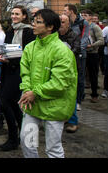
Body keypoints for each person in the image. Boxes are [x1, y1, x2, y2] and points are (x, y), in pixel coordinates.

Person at [19, 9, 77, 158]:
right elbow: (25, 73)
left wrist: (35, 92)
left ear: (50, 27)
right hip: (32, 105)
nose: (33, 25)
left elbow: (60, 83)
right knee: (27, 142)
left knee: (53, 148)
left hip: (54, 108)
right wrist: (27, 90)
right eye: (34, 21)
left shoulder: (62, 51)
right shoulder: (30, 47)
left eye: (38, 22)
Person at [0, 5, 35, 151]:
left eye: (17, 14)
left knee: (4, 101)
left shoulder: (29, 32)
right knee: (14, 104)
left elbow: (28, 55)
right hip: (7, 71)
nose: (13, 16)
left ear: (24, 16)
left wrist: (9, 60)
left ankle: (14, 137)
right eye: (12, 13)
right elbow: (7, 49)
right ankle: (22, 134)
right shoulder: (11, 31)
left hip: (19, 71)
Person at [63, 3, 89, 111]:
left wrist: (77, 50)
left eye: (65, 10)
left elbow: (84, 38)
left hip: (79, 54)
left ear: (71, 11)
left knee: (79, 78)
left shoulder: (83, 22)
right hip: (67, 54)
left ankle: (78, 100)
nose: (64, 12)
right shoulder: (66, 23)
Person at [58, 14, 80, 133]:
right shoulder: (54, 35)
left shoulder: (74, 35)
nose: (61, 24)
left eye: (63, 22)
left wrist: (64, 55)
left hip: (71, 68)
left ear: (68, 24)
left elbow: (77, 49)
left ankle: (73, 121)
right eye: (59, 21)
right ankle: (63, 116)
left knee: (71, 95)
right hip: (57, 68)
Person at [81, 9, 104, 103]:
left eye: (85, 15)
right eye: (82, 15)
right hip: (82, 53)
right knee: (81, 75)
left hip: (92, 53)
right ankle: (81, 95)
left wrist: (92, 45)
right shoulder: (81, 26)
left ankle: (94, 94)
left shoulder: (95, 27)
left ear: (90, 16)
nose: (83, 17)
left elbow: (101, 40)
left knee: (93, 75)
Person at [102, 24, 108, 99]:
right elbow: (101, 38)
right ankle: (106, 90)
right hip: (107, 54)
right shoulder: (106, 29)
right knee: (107, 73)